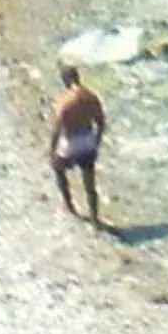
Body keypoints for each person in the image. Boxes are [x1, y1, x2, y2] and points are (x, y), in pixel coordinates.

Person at [49, 64, 106, 222]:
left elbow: (57, 129)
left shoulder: (64, 101)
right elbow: (101, 123)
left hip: (71, 142)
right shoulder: (91, 97)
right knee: (90, 184)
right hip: (87, 140)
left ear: (66, 80)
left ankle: (69, 206)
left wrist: (52, 150)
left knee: (58, 169)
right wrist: (97, 142)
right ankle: (95, 218)